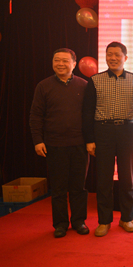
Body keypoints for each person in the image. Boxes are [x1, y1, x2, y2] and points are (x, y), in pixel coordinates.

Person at [82, 41, 133, 237]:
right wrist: (89, 139)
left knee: (127, 178)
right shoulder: (95, 80)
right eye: (109, 54)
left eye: (117, 55)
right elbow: (87, 112)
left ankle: (127, 218)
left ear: (125, 58)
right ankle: (104, 221)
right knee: (104, 179)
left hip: (128, 131)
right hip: (103, 131)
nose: (113, 58)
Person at [29, 48, 89, 238]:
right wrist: (38, 140)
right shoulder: (43, 86)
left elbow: (90, 115)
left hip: (80, 144)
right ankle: (61, 224)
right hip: (54, 145)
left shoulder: (84, 85)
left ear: (74, 64)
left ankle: (79, 221)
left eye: (65, 61)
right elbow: (35, 116)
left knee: (79, 187)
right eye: (57, 60)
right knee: (58, 188)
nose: (60, 64)